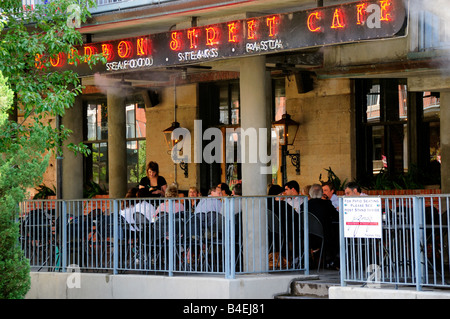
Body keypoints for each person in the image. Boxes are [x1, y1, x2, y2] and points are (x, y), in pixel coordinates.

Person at [308, 183, 339, 268]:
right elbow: (337, 216)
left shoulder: (305, 205)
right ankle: (333, 260)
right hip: (324, 237)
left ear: (310, 193)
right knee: (337, 233)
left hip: (308, 237)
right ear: (321, 193)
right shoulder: (326, 204)